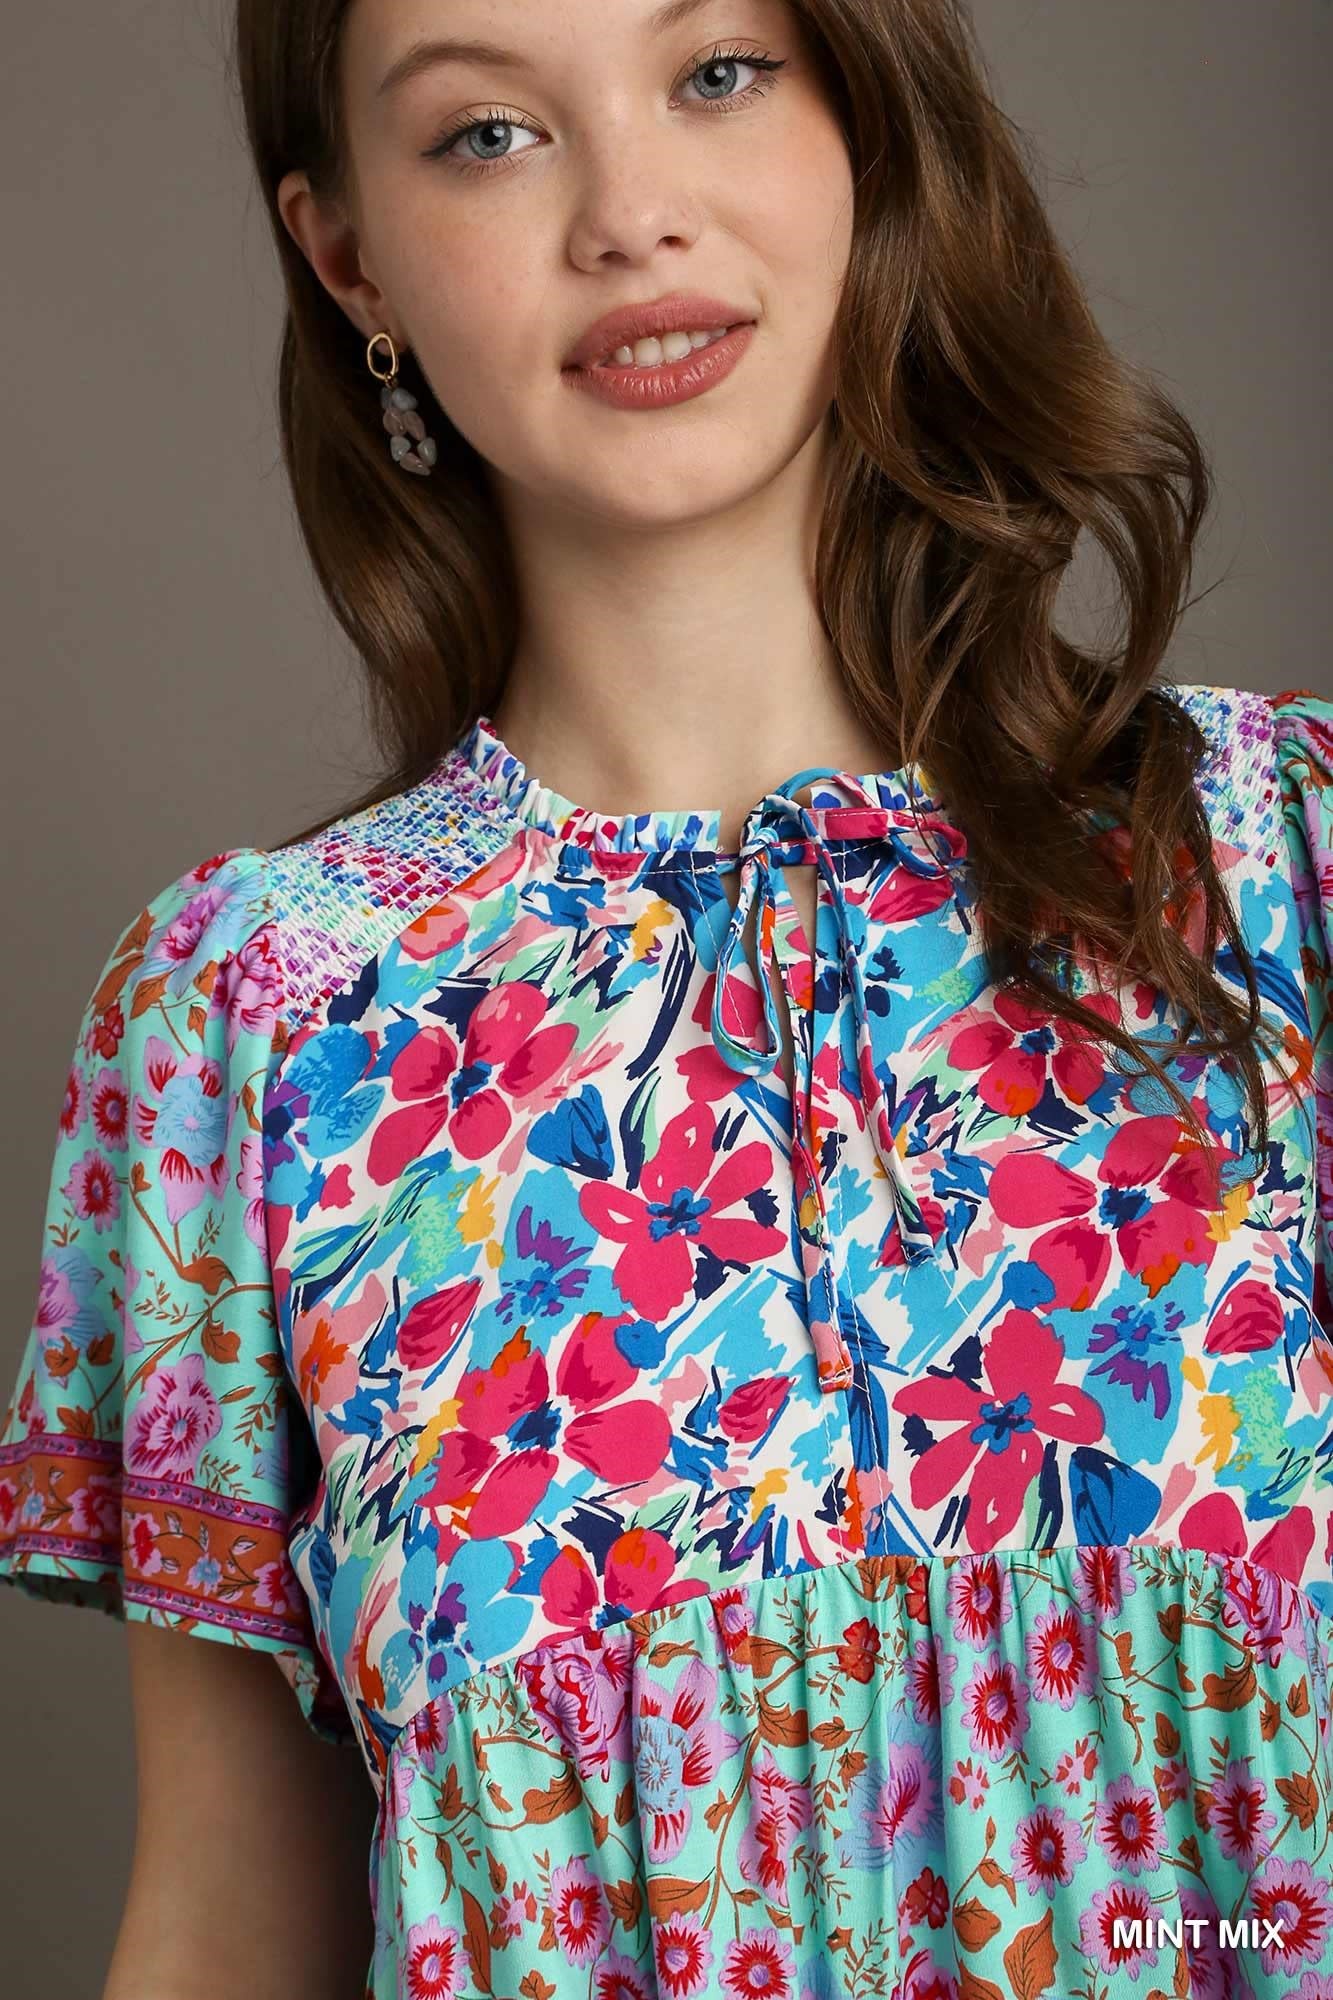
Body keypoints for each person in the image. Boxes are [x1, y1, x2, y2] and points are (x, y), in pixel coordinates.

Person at [2, 2, 1330, 1995]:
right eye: (486, 133)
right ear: (347, 256)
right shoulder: (250, 1013)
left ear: (864, 119)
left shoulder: (1276, 856)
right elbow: (224, 1927)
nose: (628, 212)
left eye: (715, 72)